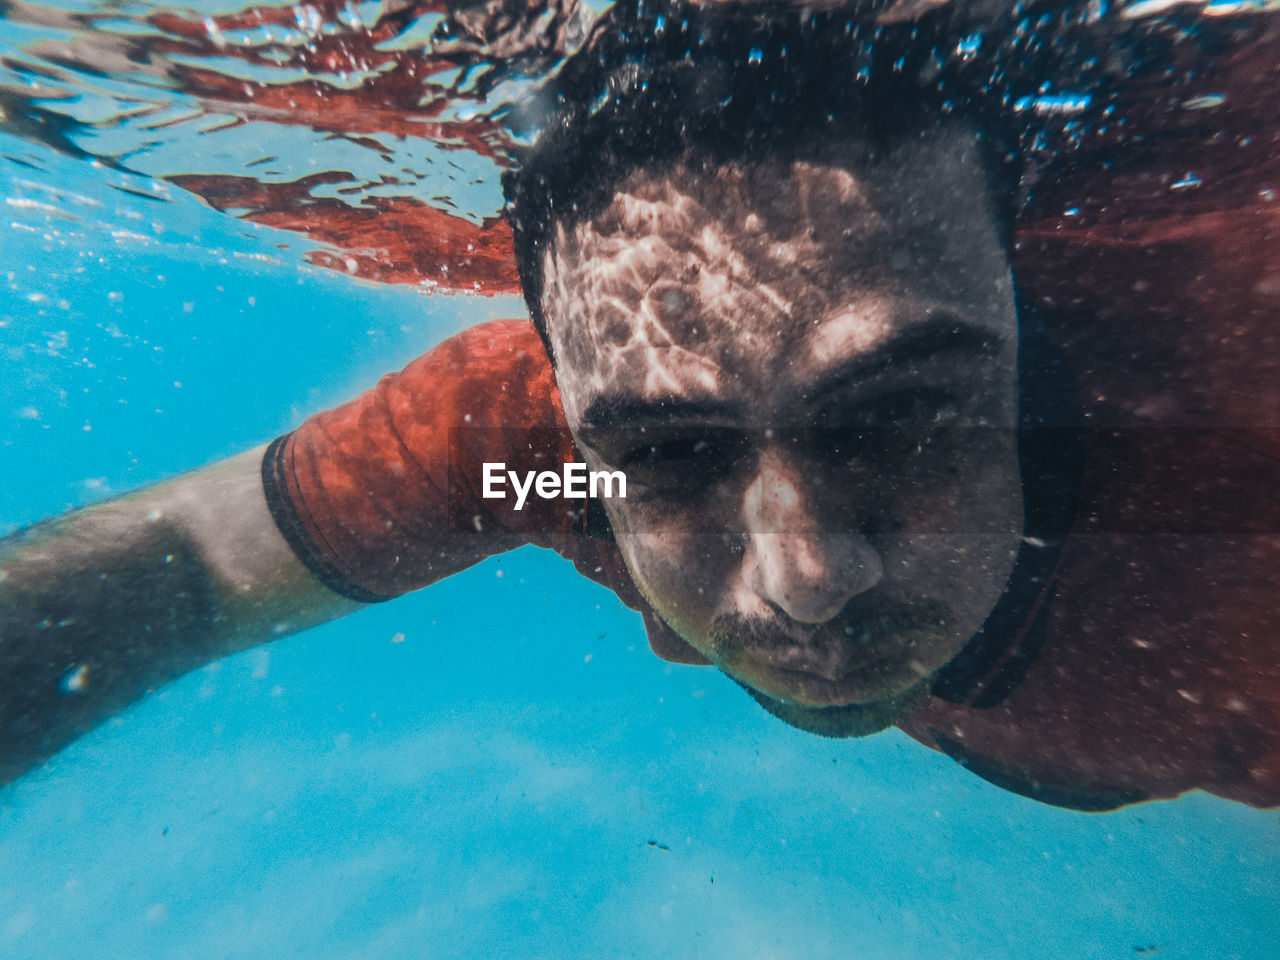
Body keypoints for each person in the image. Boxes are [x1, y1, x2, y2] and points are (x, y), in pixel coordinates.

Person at [2, 0, 1278, 810]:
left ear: (1024, 350)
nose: (808, 579)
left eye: (896, 422)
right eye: (673, 455)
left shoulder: (1236, 510)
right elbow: (177, 573)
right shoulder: (551, 471)